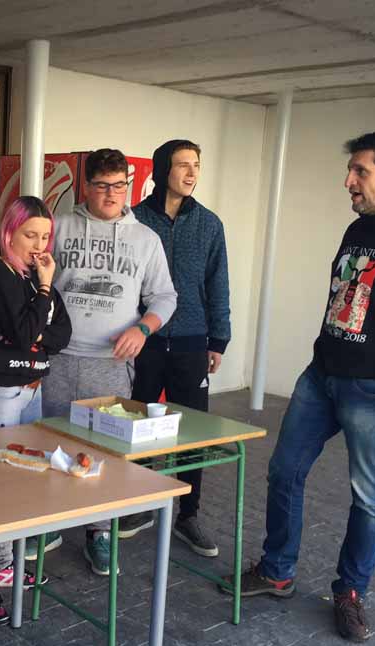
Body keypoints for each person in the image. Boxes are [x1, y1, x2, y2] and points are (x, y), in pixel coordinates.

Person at [221, 130, 375, 643]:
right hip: (322, 377)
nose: (348, 181)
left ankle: (350, 592)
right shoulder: (358, 229)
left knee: (368, 497)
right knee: (284, 471)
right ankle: (277, 571)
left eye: (360, 171)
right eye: (351, 170)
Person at [43, 148, 177, 575]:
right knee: (50, 440)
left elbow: (165, 297)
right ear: (86, 186)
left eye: (120, 186)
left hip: (111, 362)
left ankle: (99, 532)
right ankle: (48, 522)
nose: (112, 194)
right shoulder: (59, 226)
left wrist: (143, 329)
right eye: (102, 185)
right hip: (58, 357)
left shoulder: (145, 239)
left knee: (106, 450)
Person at [0, 196, 72, 623]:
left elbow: (62, 333)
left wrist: (35, 325)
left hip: (30, 389)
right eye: (30, 235)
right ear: (9, 232)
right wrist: (43, 294)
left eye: (45, 236)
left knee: (20, 482)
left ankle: (1, 564)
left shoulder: (31, 274)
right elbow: (27, 334)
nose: (39, 246)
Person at [132, 139, 231, 557]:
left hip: (192, 340)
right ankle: (136, 503)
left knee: (192, 430)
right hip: (144, 340)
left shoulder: (209, 224)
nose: (192, 173)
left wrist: (219, 339)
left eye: (196, 165)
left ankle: (188, 514)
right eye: (183, 165)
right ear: (162, 170)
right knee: (138, 424)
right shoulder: (134, 219)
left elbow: (218, 284)